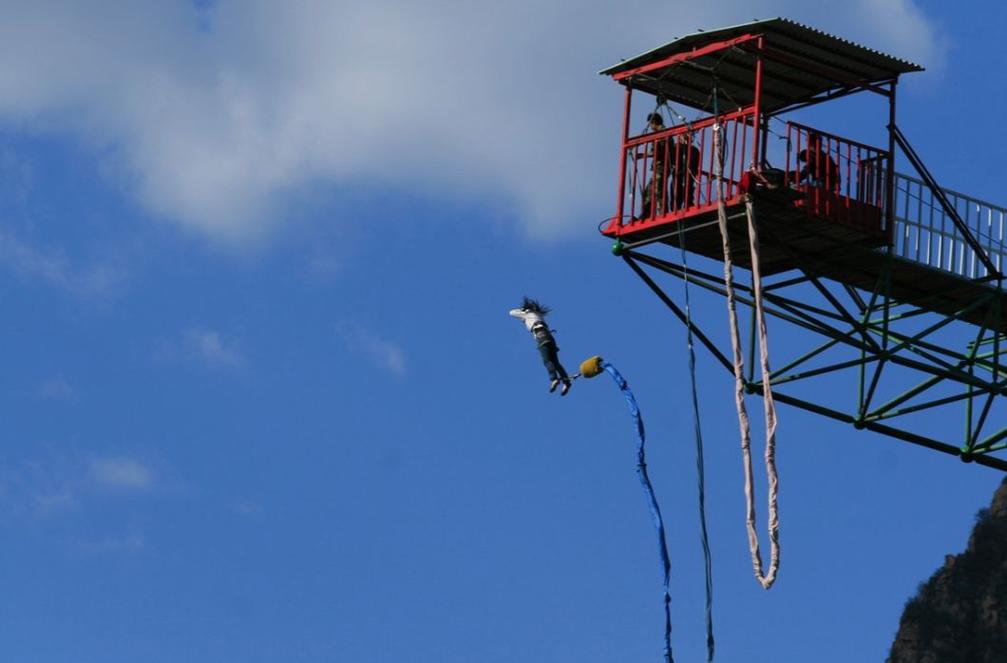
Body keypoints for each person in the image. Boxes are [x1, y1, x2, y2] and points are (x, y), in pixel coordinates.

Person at [509, 297, 572, 396]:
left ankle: (554, 379)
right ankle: (567, 382)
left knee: (547, 361)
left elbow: (511, 312)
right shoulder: (540, 315)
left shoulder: (526, 314)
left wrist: (523, 310)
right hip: (549, 336)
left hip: (540, 335)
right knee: (556, 362)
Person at [639, 113, 668, 219]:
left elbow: (658, 151)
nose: (650, 127)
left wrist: (642, 155)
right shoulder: (661, 133)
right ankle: (646, 214)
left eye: (650, 124)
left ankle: (662, 213)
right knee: (649, 190)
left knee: (658, 189)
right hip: (659, 165)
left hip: (662, 166)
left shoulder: (661, 133)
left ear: (653, 122)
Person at [670, 130, 701, 210]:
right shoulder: (675, 148)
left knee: (688, 194)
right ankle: (676, 211)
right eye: (683, 135)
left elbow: (694, 165)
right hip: (677, 176)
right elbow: (671, 160)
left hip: (687, 177)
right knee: (675, 197)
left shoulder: (694, 150)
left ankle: (687, 208)